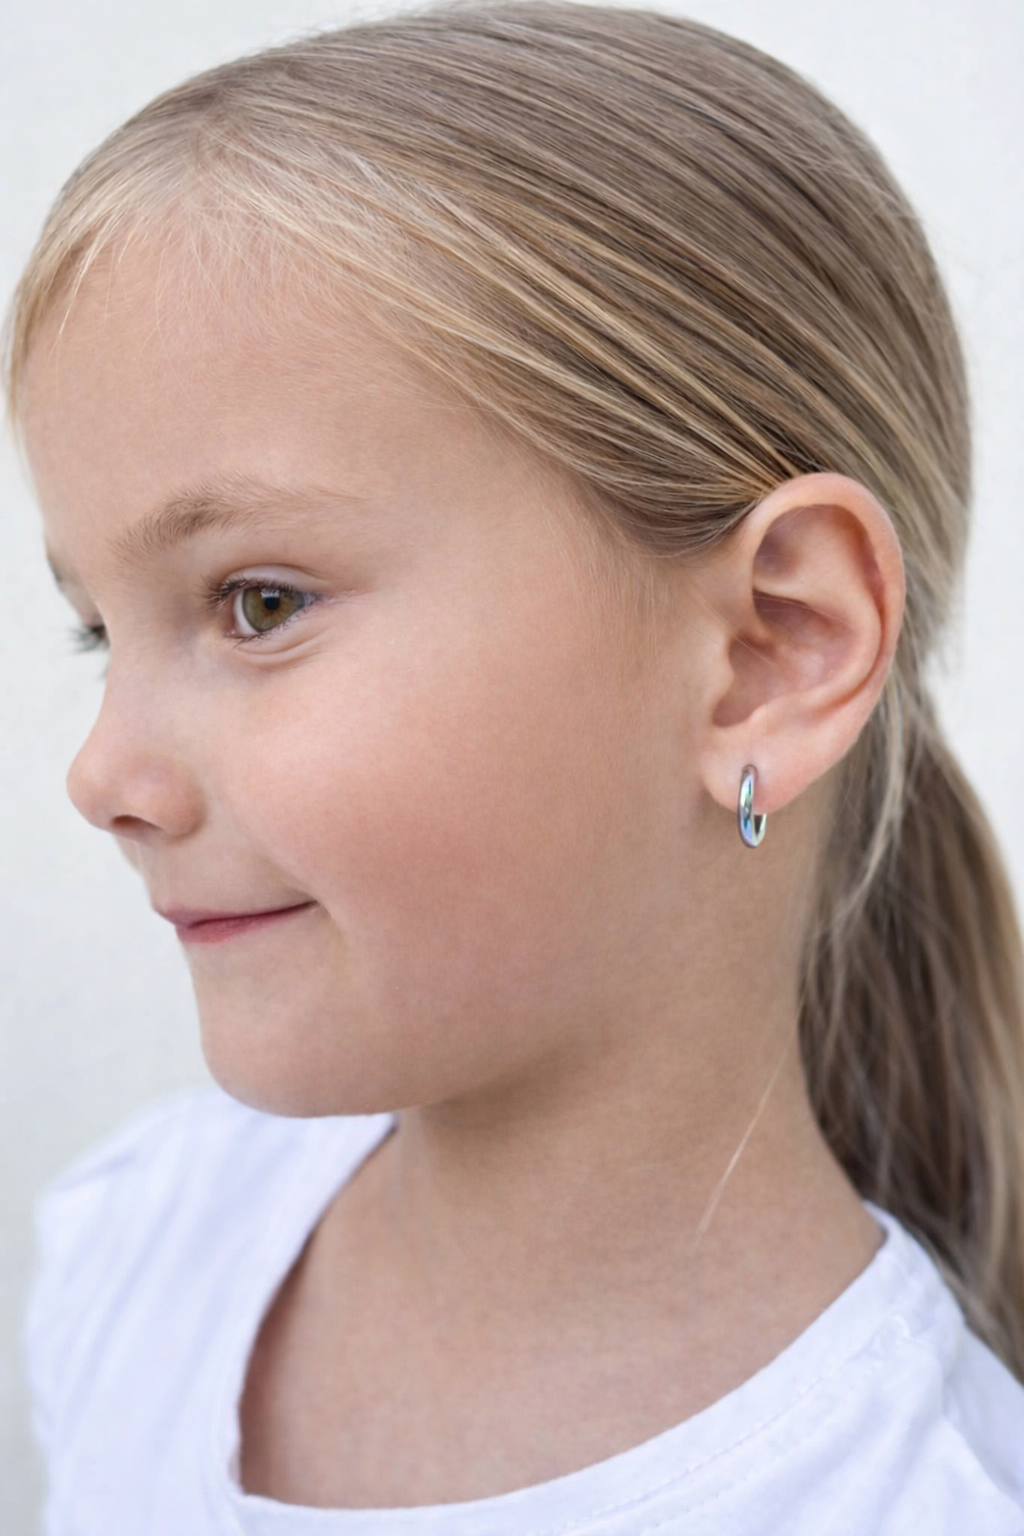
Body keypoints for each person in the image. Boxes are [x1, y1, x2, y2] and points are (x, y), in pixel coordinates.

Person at [6, 2, 1024, 1532]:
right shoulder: (133, 1248)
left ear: (770, 648)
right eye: (101, 631)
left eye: (258, 603)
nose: (104, 776)